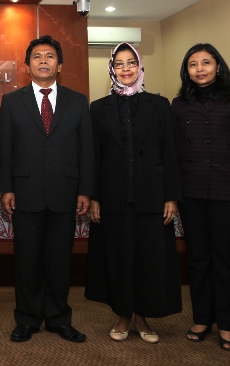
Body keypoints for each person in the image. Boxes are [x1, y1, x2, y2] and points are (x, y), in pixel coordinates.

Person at [0, 35, 94, 344]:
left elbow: (86, 149)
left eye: (49, 56)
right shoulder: (13, 101)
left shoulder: (78, 101)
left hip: (66, 194)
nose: (43, 61)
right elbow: (4, 148)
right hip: (24, 193)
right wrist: (6, 188)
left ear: (59, 65)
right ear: (27, 66)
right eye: (37, 56)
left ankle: (58, 318)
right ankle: (26, 319)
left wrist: (85, 190)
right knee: (27, 261)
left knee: (59, 260)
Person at [85, 42, 182, 344]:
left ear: (140, 66)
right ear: (111, 69)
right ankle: (123, 316)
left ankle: (142, 317)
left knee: (148, 258)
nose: (125, 68)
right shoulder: (98, 108)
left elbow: (170, 152)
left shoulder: (159, 105)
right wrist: (94, 196)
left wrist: (171, 196)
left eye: (131, 63)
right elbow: (93, 155)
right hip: (113, 197)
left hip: (152, 196)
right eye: (119, 64)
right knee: (118, 258)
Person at [171, 43, 230, 352]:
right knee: (197, 259)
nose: (200, 69)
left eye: (206, 62)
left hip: (227, 192)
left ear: (218, 66)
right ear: (187, 71)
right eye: (193, 64)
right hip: (191, 192)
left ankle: (227, 324)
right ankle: (201, 318)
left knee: (227, 260)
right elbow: (174, 153)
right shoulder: (179, 104)